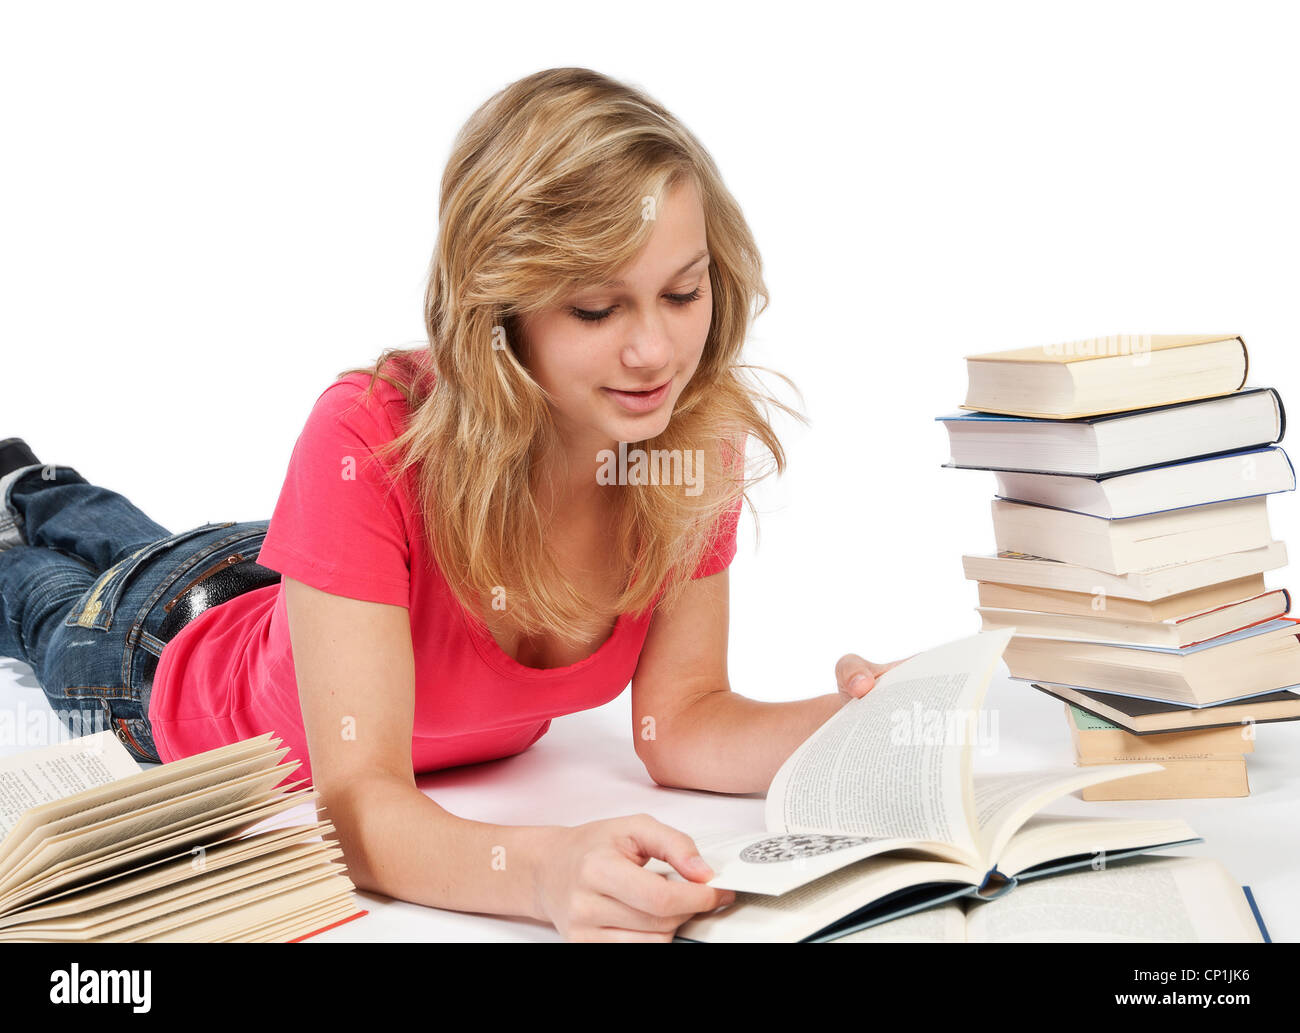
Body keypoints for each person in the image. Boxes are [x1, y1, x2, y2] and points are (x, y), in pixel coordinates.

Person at [0, 67, 904, 942]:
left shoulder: (687, 442)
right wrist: (543, 872)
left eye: (682, 292)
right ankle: (28, 494)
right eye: (597, 309)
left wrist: (860, 725)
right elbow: (357, 802)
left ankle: (33, 485)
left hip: (309, 591)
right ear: (498, 308)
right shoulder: (364, 437)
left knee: (134, 543)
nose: (655, 352)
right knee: (41, 587)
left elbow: (685, 722)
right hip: (157, 652)